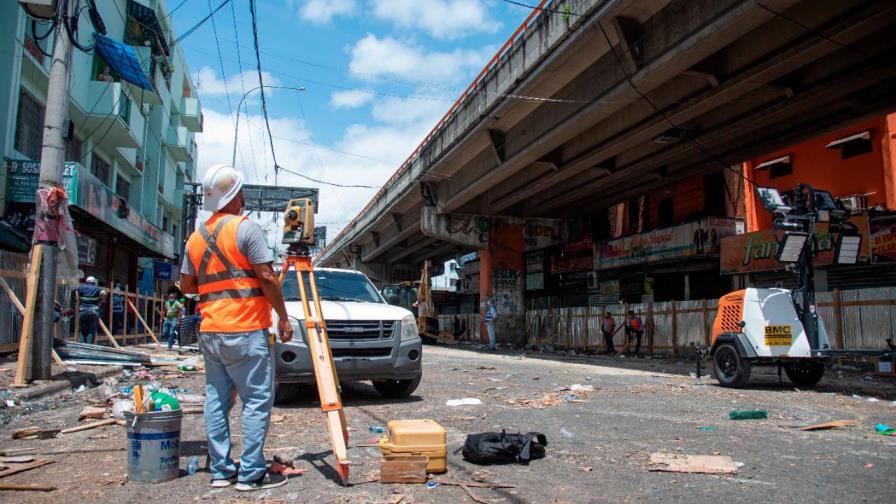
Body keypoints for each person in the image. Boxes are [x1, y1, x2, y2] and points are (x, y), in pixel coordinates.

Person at [180, 164, 293, 492]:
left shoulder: (195, 238)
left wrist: (215, 283)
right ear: (234, 196)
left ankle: (221, 471)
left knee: (216, 400)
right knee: (256, 400)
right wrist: (283, 317)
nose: (243, 197)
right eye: (240, 192)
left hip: (212, 331)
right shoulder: (246, 229)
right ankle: (251, 474)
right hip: (246, 329)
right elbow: (268, 277)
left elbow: (187, 286)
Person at [76, 276, 106, 344]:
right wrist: (101, 301)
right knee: (91, 330)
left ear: (86, 282)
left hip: (83, 311)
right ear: (94, 282)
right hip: (93, 311)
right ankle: (89, 347)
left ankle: (82, 347)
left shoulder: (81, 287)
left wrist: (79, 300)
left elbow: (76, 292)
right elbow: (104, 293)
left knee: (82, 330)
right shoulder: (97, 289)